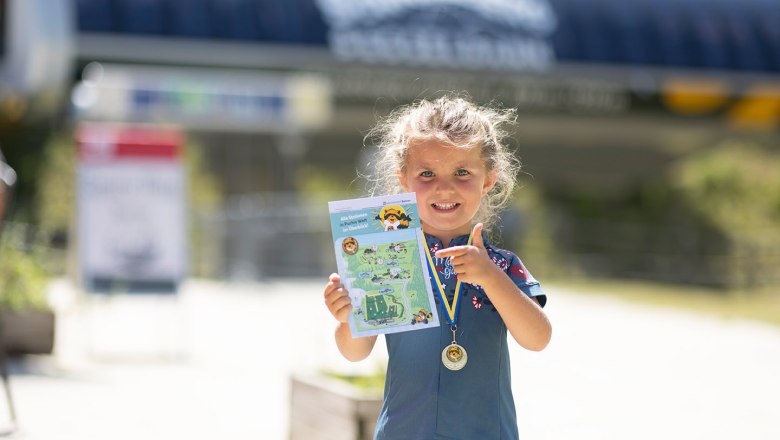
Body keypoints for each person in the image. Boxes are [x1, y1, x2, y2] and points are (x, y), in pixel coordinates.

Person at [323, 95, 552, 440]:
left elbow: (538, 338)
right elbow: (354, 353)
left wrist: (490, 276)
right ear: (402, 177)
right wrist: (346, 319)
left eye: (462, 172)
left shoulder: (502, 264)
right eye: (427, 173)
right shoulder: (386, 258)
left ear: (488, 178)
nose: (444, 187)